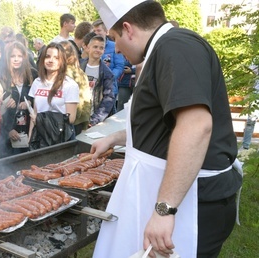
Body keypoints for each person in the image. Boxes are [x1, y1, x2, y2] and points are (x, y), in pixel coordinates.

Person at [90, 1, 243, 257]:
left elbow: (196, 126)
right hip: (183, 196)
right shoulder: (163, 49)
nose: (116, 48)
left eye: (114, 38)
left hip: (195, 201)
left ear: (128, 29)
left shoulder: (176, 46)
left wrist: (164, 210)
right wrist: (117, 138)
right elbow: (166, 125)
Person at [28, 42, 79, 148]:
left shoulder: (70, 85)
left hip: (61, 137)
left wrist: (41, 119)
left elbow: (71, 118)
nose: (51, 60)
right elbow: (34, 114)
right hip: (40, 138)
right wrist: (30, 139)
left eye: (56, 58)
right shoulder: (37, 82)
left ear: (62, 61)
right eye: (47, 56)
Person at [0, 41, 37, 157]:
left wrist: (30, 101)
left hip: (28, 131)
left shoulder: (33, 75)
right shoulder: (2, 78)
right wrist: (8, 130)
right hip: (7, 135)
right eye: (13, 56)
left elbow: (39, 99)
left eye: (19, 56)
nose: (16, 59)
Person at [79, 35, 115, 126]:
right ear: (88, 48)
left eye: (101, 48)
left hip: (93, 116)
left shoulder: (107, 73)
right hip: (78, 115)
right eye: (95, 47)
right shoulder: (78, 66)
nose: (98, 50)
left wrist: (95, 119)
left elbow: (109, 98)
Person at [93, 18, 125, 112]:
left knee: (108, 115)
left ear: (106, 31)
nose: (96, 33)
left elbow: (119, 66)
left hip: (110, 88)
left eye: (98, 30)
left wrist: (108, 78)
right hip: (94, 88)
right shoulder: (90, 46)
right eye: (94, 31)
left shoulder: (114, 45)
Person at [60, 41, 91, 135]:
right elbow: (87, 98)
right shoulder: (80, 71)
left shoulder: (65, 73)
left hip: (70, 119)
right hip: (81, 118)